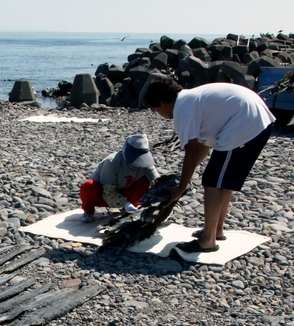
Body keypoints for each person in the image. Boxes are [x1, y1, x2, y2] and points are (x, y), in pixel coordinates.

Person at [144, 78, 275, 253]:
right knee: (221, 181)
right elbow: (202, 146)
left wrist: (181, 187)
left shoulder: (182, 108)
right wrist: (183, 179)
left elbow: (191, 151)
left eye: (156, 110)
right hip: (256, 118)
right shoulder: (192, 100)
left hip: (245, 121)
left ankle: (207, 241)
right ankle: (216, 231)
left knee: (212, 182)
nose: (159, 114)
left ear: (162, 102)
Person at [79, 134, 158, 222]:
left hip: (125, 193)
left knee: (145, 181)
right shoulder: (112, 162)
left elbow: (158, 182)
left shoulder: (146, 165)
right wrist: (125, 204)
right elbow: (108, 192)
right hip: (103, 195)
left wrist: (164, 198)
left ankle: (129, 211)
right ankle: (88, 212)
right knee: (88, 186)